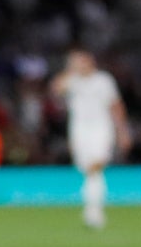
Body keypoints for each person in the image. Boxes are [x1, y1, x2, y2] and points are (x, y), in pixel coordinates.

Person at [51, 48, 128, 229]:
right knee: (88, 170)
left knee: (96, 165)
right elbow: (55, 89)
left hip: (101, 128)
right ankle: (92, 207)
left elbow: (116, 105)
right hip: (79, 130)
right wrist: (70, 70)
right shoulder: (73, 80)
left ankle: (94, 210)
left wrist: (123, 131)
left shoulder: (104, 80)